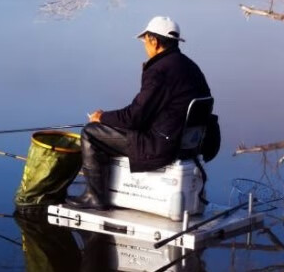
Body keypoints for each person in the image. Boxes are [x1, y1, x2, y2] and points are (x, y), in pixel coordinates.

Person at [67, 16, 212, 210]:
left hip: (161, 145)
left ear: (155, 41)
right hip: (189, 144)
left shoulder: (159, 70)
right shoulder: (190, 67)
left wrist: (101, 117)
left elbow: (134, 117)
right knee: (106, 128)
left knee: (91, 133)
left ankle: (95, 197)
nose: (144, 46)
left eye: (145, 41)